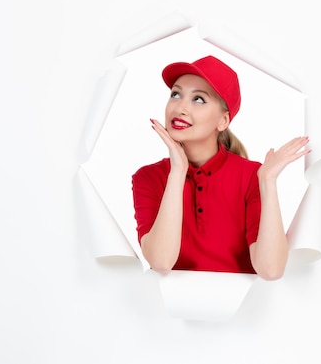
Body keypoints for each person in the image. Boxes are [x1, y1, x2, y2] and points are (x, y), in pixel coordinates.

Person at [131, 55, 310, 280]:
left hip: (242, 312)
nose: (180, 108)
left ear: (223, 121)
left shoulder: (251, 176)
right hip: (171, 310)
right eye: (175, 94)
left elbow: (271, 270)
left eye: (198, 99)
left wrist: (267, 181)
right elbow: (161, 261)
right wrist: (177, 173)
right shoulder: (148, 178)